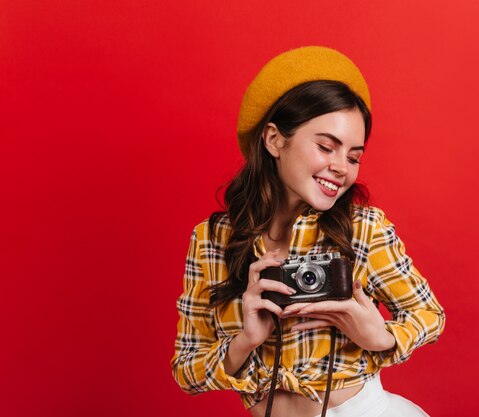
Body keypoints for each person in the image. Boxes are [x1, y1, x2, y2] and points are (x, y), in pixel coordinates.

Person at [170, 46, 446, 417]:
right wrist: (246, 339)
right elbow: (187, 371)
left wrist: (378, 335)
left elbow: (430, 314)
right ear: (274, 140)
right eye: (325, 147)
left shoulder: (363, 230)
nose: (341, 168)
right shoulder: (212, 240)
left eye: (353, 157)